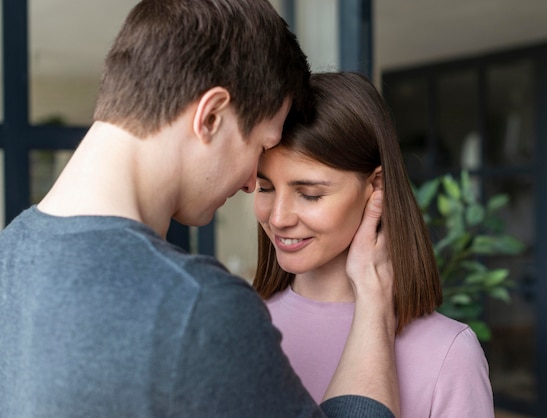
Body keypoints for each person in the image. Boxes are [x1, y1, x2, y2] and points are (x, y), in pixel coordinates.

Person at [0, 2, 401, 417]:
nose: (250, 182)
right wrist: (373, 300)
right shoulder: (194, 307)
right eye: (261, 146)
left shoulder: (8, 258)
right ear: (210, 116)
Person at [253, 72, 495, 417]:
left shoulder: (448, 352)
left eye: (309, 195)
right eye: (265, 188)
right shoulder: (239, 323)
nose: (278, 218)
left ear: (376, 185)